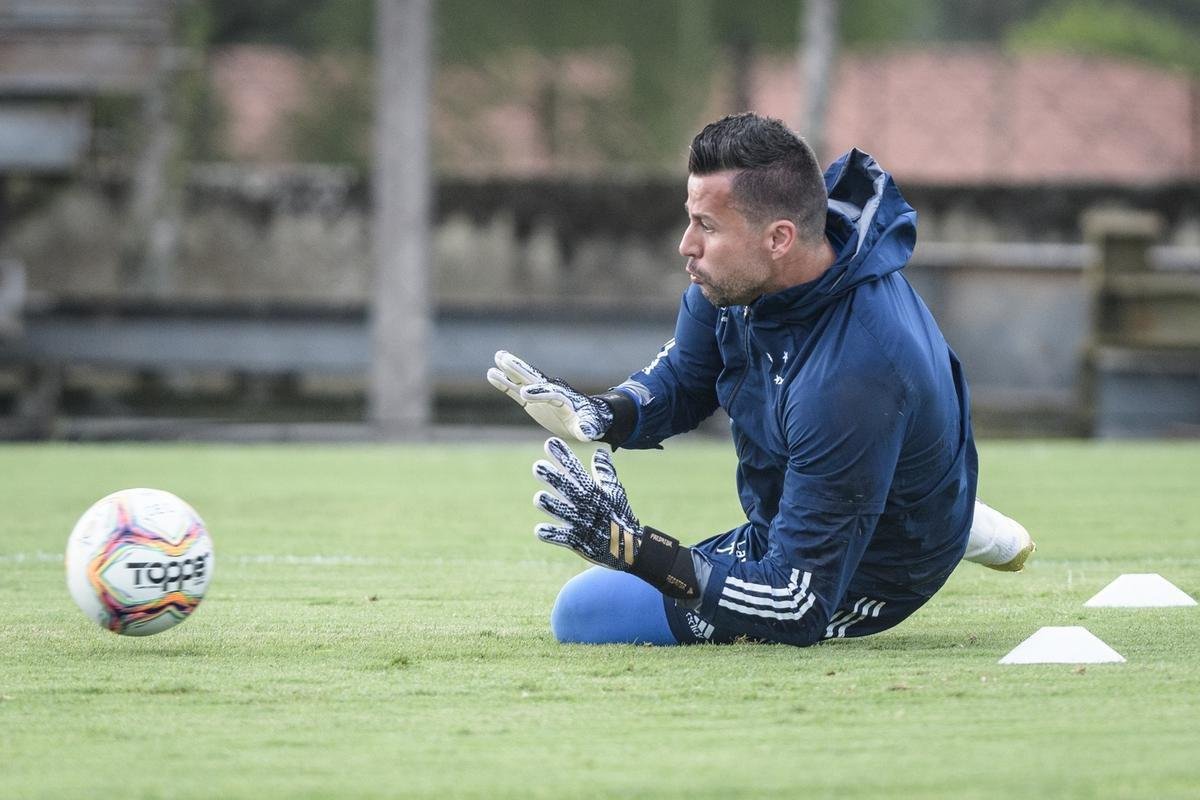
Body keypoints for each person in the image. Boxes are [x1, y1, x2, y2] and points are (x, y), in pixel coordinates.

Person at [487, 113, 1034, 647]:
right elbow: (688, 375)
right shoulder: (744, 278)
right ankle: (914, 490)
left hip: (870, 568)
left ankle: (929, 516)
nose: (686, 244)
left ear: (778, 238)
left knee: (586, 612)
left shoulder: (852, 377)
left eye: (706, 225)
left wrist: (638, 551)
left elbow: (797, 604)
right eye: (690, 217)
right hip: (822, 485)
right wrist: (606, 414)